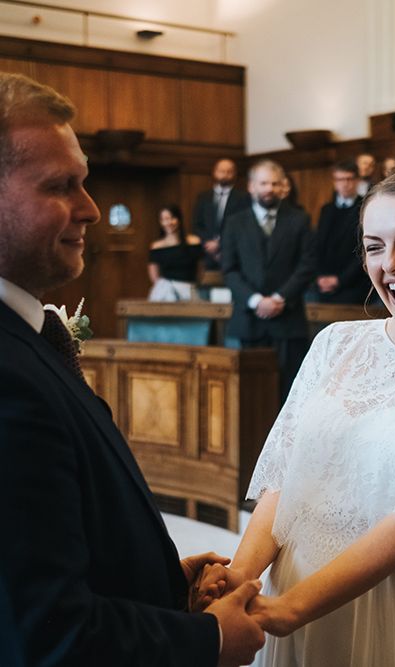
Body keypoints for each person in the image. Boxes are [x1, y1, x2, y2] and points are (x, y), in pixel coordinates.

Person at [203, 158, 395, 666]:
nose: (389, 263)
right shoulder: (335, 342)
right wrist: (241, 580)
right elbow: (284, 476)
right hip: (291, 587)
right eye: (375, 247)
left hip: (388, 611)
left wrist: (290, 610)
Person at [0, 73, 264, 666]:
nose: (91, 209)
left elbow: (36, 561)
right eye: (61, 186)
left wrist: (160, 582)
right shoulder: (6, 377)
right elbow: (47, 637)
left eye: (85, 182)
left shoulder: (26, 336)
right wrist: (211, 640)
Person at [222, 159, 316, 402]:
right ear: (252, 186)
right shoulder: (234, 223)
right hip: (248, 321)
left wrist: (278, 298)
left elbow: (307, 265)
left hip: (288, 320)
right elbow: (229, 270)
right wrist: (255, 300)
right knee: (250, 396)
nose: (269, 189)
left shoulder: (299, 219)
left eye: (275, 183)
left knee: (290, 394)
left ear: (283, 186)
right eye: (263, 183)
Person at [313, 160, 370, 304]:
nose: (345, 184)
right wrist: (321, 277)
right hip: (323, 281)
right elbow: (318, 247)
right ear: (334, 182)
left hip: (353, 283)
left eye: (349, 179)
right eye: (340, 179)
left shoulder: (365, 208)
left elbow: (364, 250)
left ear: (357, 180)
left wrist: (339, 280)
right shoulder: (326, 209)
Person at [193, 158, 251, 271]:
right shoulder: (203, 197)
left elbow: (243, 226)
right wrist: (208, 243)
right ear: (215, 172)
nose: (225, 174)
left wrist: (220, 243)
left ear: (234, 174)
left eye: (229, 171)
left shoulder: (244, 198)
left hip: (233, 253)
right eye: (222, 171)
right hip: (206, 254)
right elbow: (197, 224)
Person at [148, 204, 203, 301]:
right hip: (164, 291)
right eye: (163, 219)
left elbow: (200, 269)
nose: (168, 223)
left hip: (189, 289)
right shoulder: (156, 246)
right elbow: (154, 275)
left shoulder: (194, 241)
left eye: (171, 218)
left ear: (178, 219)